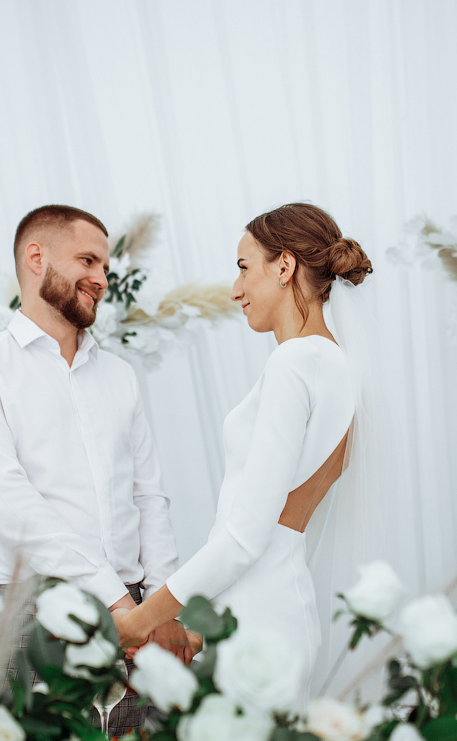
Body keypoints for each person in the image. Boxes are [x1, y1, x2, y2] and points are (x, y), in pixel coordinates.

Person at [113, 202, 384, 703]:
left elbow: (243, 536)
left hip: (260, 620)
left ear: (284, 266)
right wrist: (196, 626)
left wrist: (138, 622)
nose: (235, 290)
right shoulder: (334, 365)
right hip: (271, 607)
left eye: (243, 267)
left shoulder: (295, 363)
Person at [0, 204, 187, 733]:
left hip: (137, 618)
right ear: (37, 257)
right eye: (88, 261)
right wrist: (122, 605)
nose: (101, 279)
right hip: (27, 622)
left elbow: (149, 498)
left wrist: (160, 608)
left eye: (105, 267)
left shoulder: (119, 375)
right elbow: (9, 504)